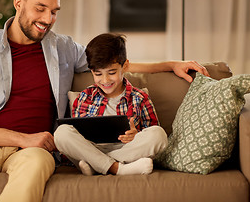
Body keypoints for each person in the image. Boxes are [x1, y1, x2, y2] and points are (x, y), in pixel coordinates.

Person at [0, 0, 210, 202]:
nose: (48, 19)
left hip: (34, 152)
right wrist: (22, 138)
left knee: (35, 166)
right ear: (19, 3)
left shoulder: (61, 47)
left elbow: (111, 62)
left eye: (55, 10)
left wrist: (170, 64)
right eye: (41, 8)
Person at [54, 33, 168, 175]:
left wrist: (136, 135)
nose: (105, 80)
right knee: (61, 133)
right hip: (91, 150)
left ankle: (98, 167)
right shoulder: (84, 98)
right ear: (91, 71)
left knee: (158, 134)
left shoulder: (140, 98)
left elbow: (151, 136)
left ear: (125, 66)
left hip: (126, 151)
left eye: (112, 72)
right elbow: (77, 138)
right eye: (98, 74)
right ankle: (118, 168)